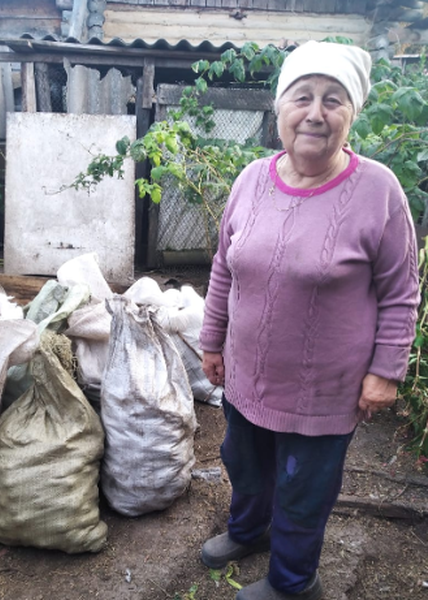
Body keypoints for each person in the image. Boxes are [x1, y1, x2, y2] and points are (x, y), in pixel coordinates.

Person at [199, 40, 420, 600]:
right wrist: (212, 341)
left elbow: (401, 290)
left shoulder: (378, 191)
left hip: (324, 389)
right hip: (247, 374)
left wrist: (386, 370)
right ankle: (249, 532)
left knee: (304, 487)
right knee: (244, 466)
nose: (316, 113)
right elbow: (225, 266)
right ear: (280, 109)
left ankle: (295, 583)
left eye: (334, 99)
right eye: (303, 97)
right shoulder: (251, 178)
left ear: (352, 114)